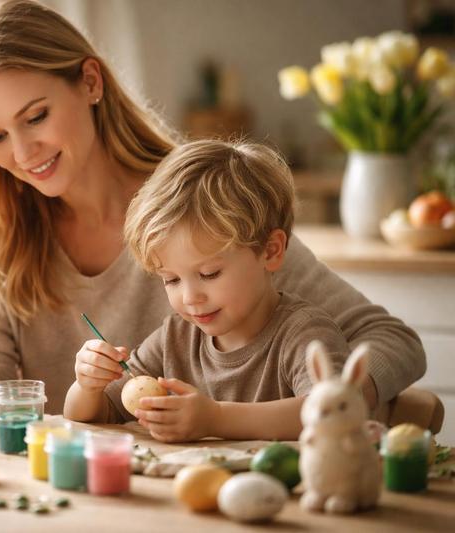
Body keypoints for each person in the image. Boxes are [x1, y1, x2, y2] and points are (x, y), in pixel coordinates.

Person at [0, 0, 425, 416]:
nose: (23, 153)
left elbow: (389, 340)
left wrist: (324, 406)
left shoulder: (200, 202)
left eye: (36, 117)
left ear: (90, 82)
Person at [65, 140, 354, 441]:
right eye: (171, 280)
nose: (190, 298)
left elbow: (334, 412)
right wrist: (88, 387)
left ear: (270, 251)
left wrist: (215, 419)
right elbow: (97, 415)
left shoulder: (304, 335)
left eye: (209, 274)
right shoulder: (175, 337)